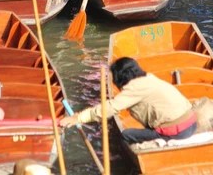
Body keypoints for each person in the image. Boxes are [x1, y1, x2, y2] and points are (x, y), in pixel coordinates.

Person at [60, 56, 197, 144]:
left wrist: (80, 118)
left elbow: (111, 107)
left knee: (126, 135)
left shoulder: (135, 87)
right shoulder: (149, 78)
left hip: (178, 131)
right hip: (192, 122)